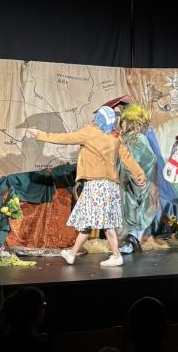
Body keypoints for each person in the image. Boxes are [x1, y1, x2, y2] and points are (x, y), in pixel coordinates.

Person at [26, 105, 145, 267]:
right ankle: (73, 254)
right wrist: (139, 174)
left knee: (102, 223)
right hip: (109, 186)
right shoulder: (114, 137)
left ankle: (115, 256)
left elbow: (66, 138)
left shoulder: (90, 132)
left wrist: (40, 135)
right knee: (92, 222)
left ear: (99, 119)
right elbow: (127, 158)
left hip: (96, 184)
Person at [116, 103, 160, 254]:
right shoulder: (135, 138)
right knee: (139, 210)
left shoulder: (130, 139)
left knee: (133, 211)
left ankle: (130, 241)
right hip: (133, 180)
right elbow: (149, 159)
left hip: (130, 180)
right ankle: (131, 240)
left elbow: (146, 159)